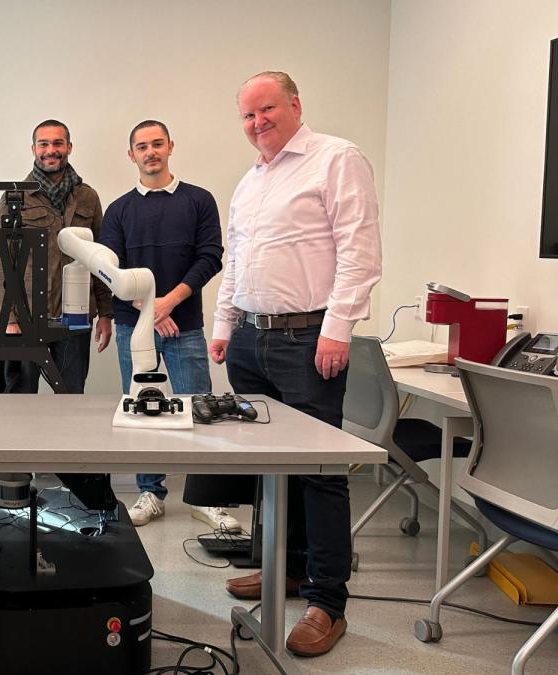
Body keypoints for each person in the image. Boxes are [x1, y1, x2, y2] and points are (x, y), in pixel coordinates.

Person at [209, 71, 382, 657]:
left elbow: (360, 251)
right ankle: (286, 567)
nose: (258, 122)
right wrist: (224, 327)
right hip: (252, 342)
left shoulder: (336, 159)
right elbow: (236, 261)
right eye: (248, 114)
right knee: (270, 467)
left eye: (268, 109)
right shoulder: (250, 182)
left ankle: (327, 601)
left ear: (295, 105)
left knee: (319, 471)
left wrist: (337, 329)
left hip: (308, 339)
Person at [99, 120, 238, 533]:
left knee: (200, 407)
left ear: (170, 147)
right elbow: (109, 268)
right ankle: (151, 492)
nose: (150, 152)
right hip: (134, 326)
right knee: (142, 409)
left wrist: (168, 303)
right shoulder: (119, 210)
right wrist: (150, 310)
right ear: (131, 155)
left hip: (185, 324)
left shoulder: (198, 200)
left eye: (157, 144)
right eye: (142, 146)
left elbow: (210, 257)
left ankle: (208, 499)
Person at [0, 119, 112, 393]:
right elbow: (0, 259)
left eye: (58, 143)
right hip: (25, 316)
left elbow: (100, 258)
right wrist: (8, 317)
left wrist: (105, 312)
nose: (50, 150)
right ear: (33, 149)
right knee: (18, 399)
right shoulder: (15, 196)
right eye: (43, 144)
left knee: (71, 396)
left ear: (69, 147)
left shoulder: (88, 197)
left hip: (75, 317)